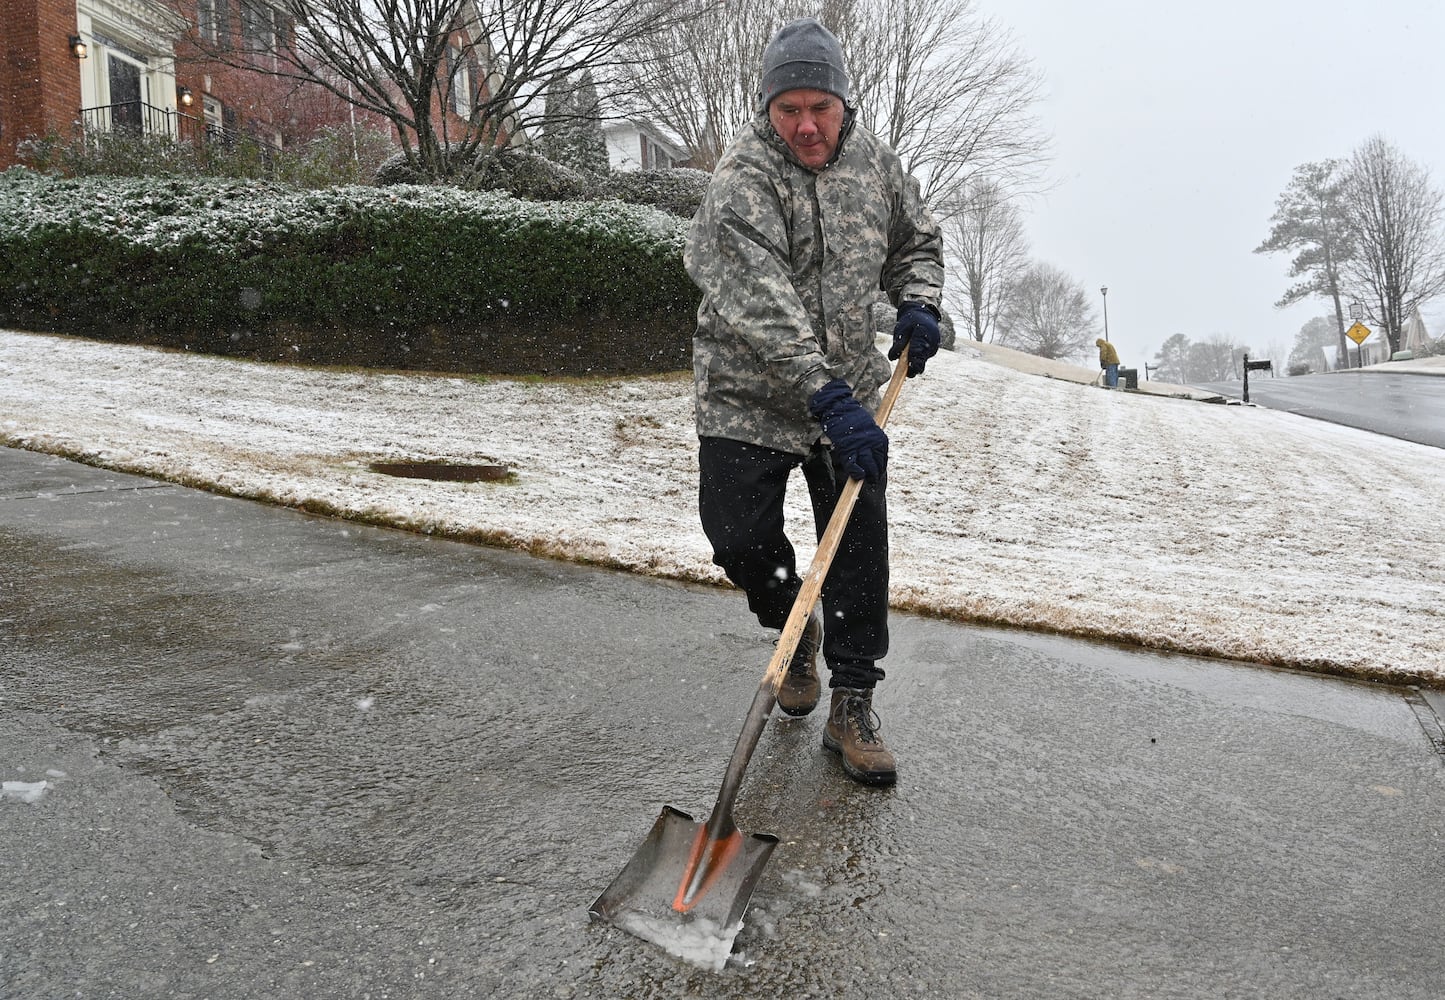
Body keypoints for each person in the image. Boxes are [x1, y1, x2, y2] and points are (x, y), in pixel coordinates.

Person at [683, 17, 945, 787]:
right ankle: (791, 631)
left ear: (841, 103)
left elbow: (916, 241)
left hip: (849, 397)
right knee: (736, 537)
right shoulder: (741, 178)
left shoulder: (875, 163)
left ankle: (852, 702)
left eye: (818, 108)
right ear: (767, 108)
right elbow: (759, 302)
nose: (804, 125)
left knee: (859, 552)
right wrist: (822, 392)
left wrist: (918, 303)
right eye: (787, 108)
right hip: (747, 393)